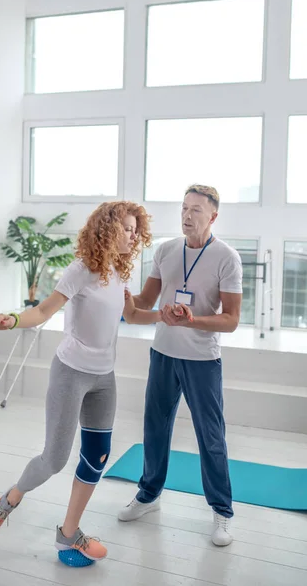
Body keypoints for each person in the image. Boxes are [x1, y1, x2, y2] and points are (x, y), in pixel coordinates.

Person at [0, 201, 190, 562]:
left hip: (103, 378)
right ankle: (11, 498)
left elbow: (131, 313)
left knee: (97, 456)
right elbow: (44, 310)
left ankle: (68, 534)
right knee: (54, 458)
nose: (133, 235)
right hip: (71, 373)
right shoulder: (80, 270)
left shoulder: (120, 271)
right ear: (106, 230)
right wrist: (12, 320)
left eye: (135, 229)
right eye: (127, 228)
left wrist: (164, 315)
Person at [118, 185, 243, 547]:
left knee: (211, 436)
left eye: (197, 211)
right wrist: (122, 293)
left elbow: (232, 319)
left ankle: (222, 511)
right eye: (184, 208)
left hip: (202, 360)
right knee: (154, 427)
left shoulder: (226, 257)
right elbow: (143, 303)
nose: (187, 216)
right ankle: (148, 495)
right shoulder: (166, 250)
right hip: (163, 354)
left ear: (213, 216)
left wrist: (192, 321)